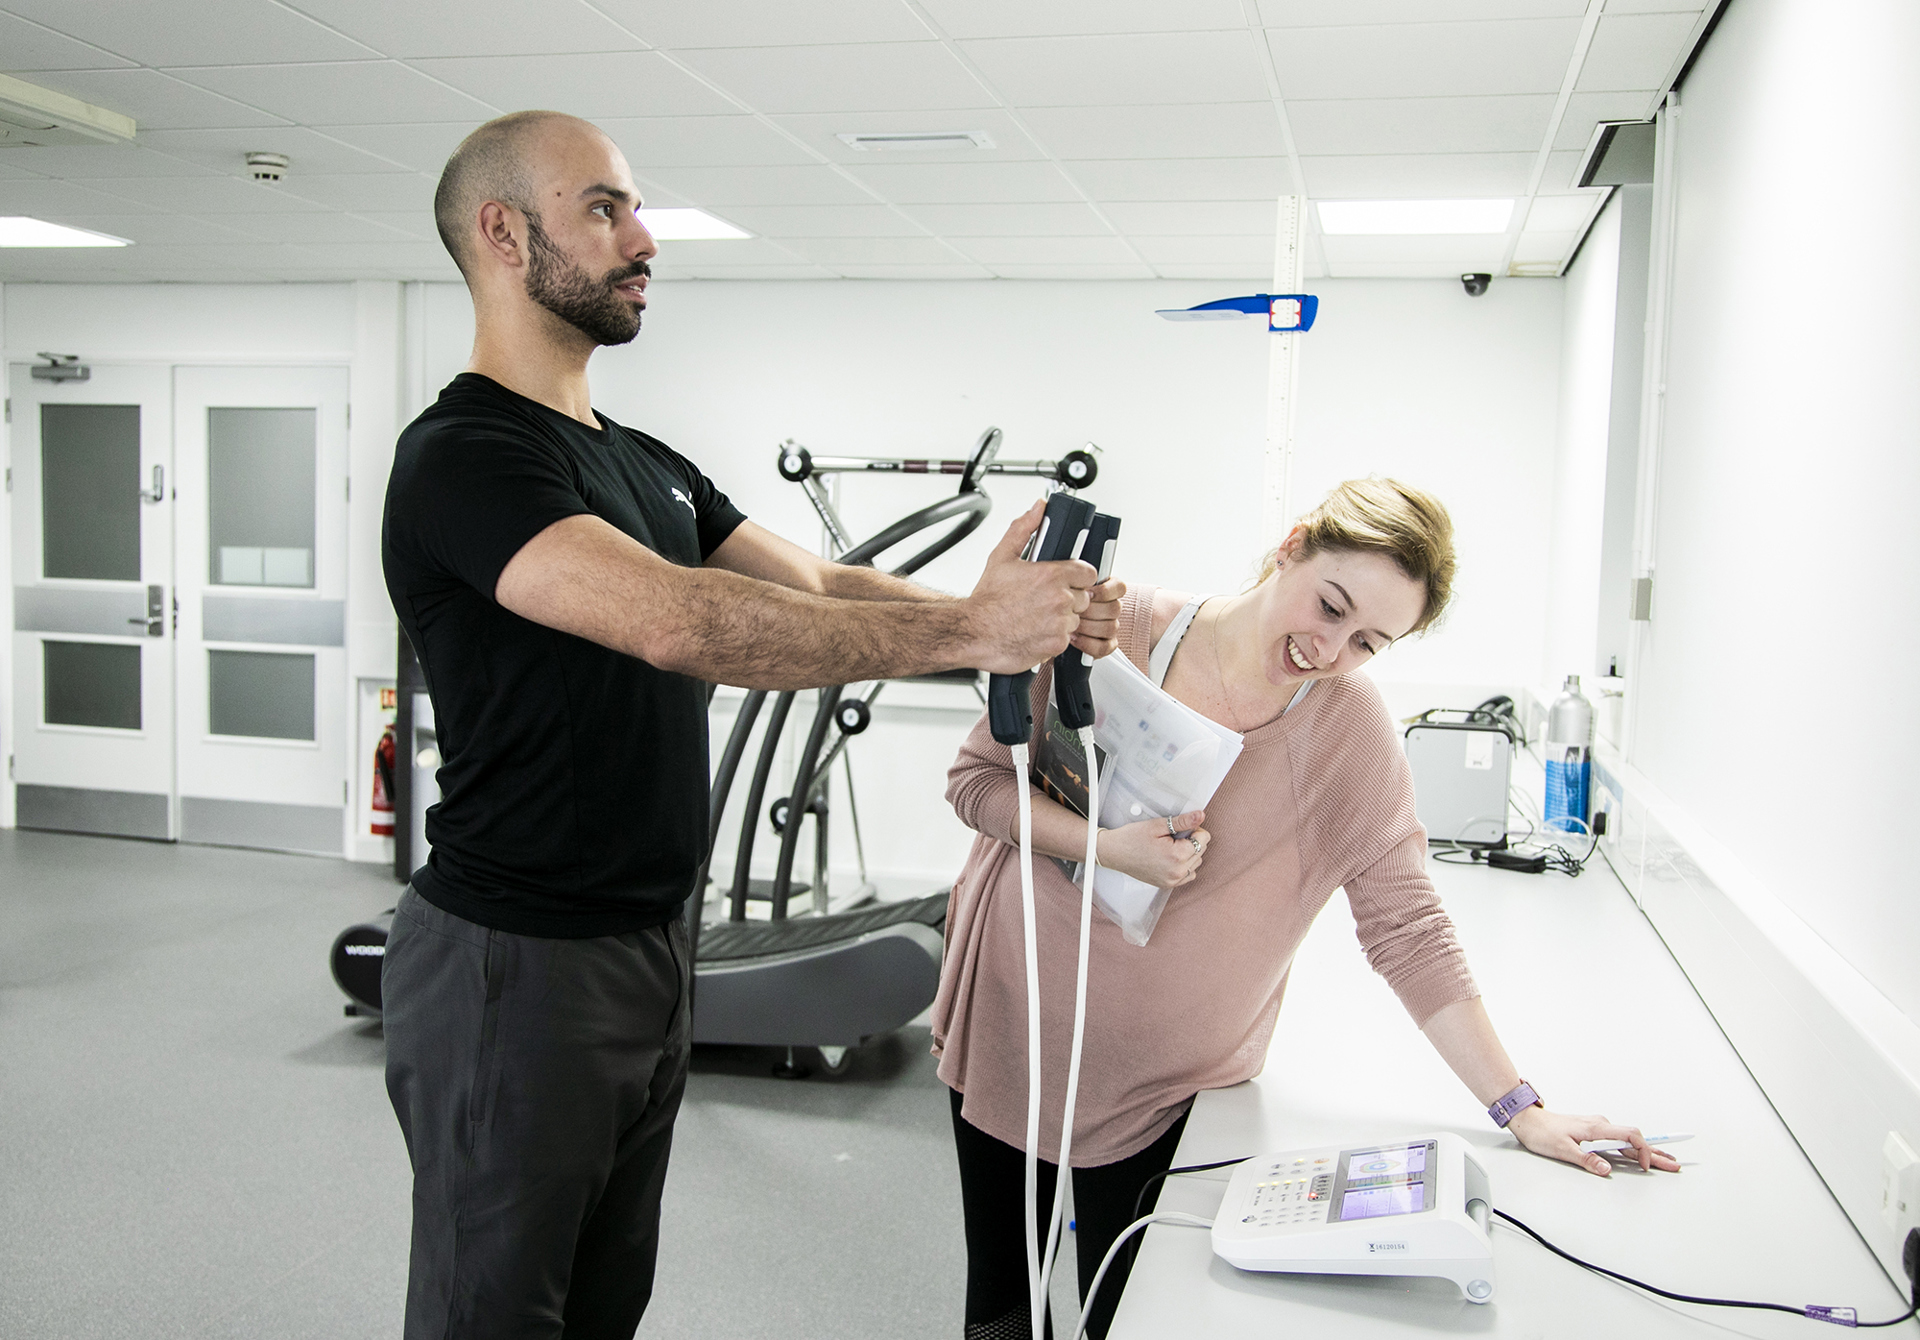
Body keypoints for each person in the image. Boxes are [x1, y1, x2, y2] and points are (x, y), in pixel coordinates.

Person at [379, 109, 1122, 1340]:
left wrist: (1007, 615)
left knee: (605, 1299)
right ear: (504, 235)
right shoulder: (463, 455)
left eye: (635, 206)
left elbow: (819, 588)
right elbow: (685, 623)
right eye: (604, 207)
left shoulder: (644, 457)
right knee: (495, 1311)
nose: (644, 236)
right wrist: (974, 634)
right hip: (514, 961)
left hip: (650, 945)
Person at [932, 478, 1680, 1340]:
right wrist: (1111, 847)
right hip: (1013, 1020)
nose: (1328, 650)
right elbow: (975, 783)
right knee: (1001, 1305)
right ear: (1291, 545)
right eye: (1329, 606)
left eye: (1368, 640)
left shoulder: (1347, 735)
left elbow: (1408, 925)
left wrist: (1521, 1108)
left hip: (1162, 1091)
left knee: (1126, 1314)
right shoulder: (1114, 627)